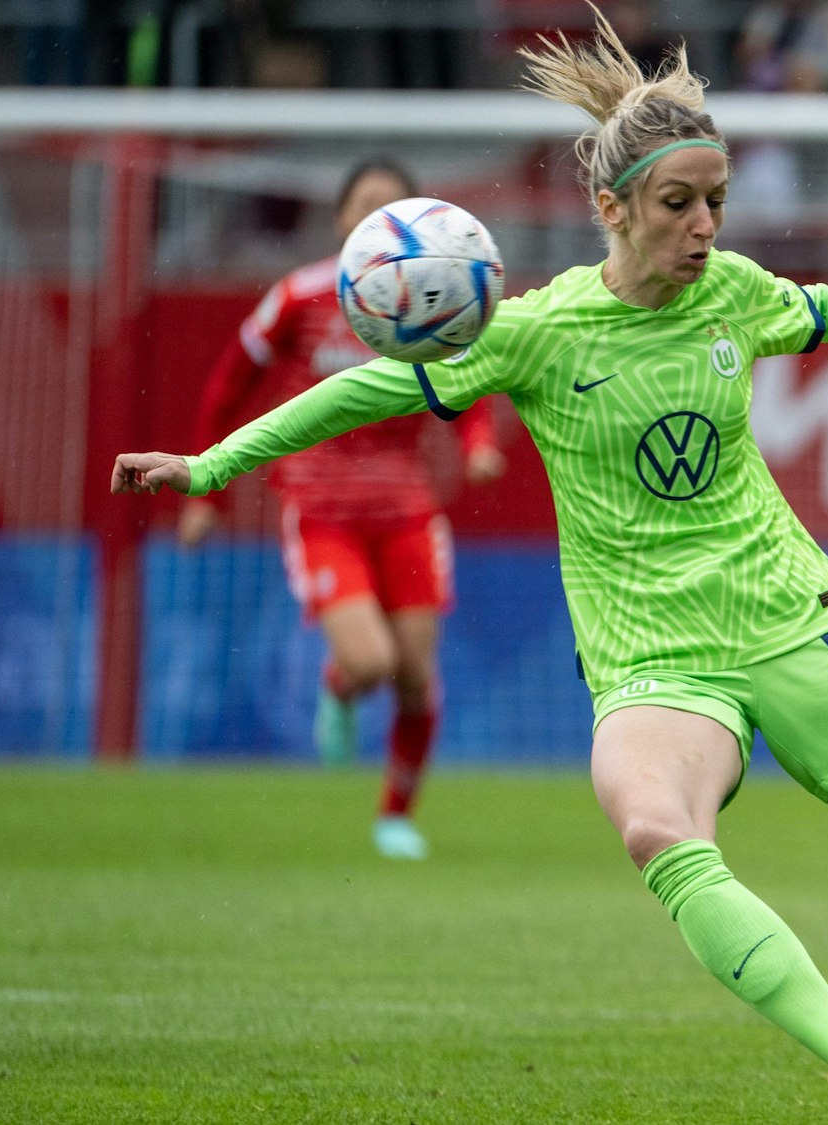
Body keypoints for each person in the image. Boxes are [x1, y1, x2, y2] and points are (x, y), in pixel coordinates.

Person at [114, 12, 828, 1125]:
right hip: (650, 649)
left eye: (714, 201)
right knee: (655, 830)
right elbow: (362, 390)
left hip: (788, 614)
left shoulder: (734, 291)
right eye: (678, 204)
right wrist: (211, 465)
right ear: (611, 207)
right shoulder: (536, 331)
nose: (703, 226)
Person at [178, 157, 507, 862]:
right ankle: (340, 681)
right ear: (340, 220)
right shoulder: (298, 296)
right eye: (364, 206)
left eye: (392, 208)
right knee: (371, 660)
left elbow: (471, 380)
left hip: (408, 506)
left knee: (416, 674)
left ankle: (394, 816)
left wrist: (478, 442)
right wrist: (205, 489)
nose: (375, 220)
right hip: (322, 506)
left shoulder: (433, 299)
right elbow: (232, 380)